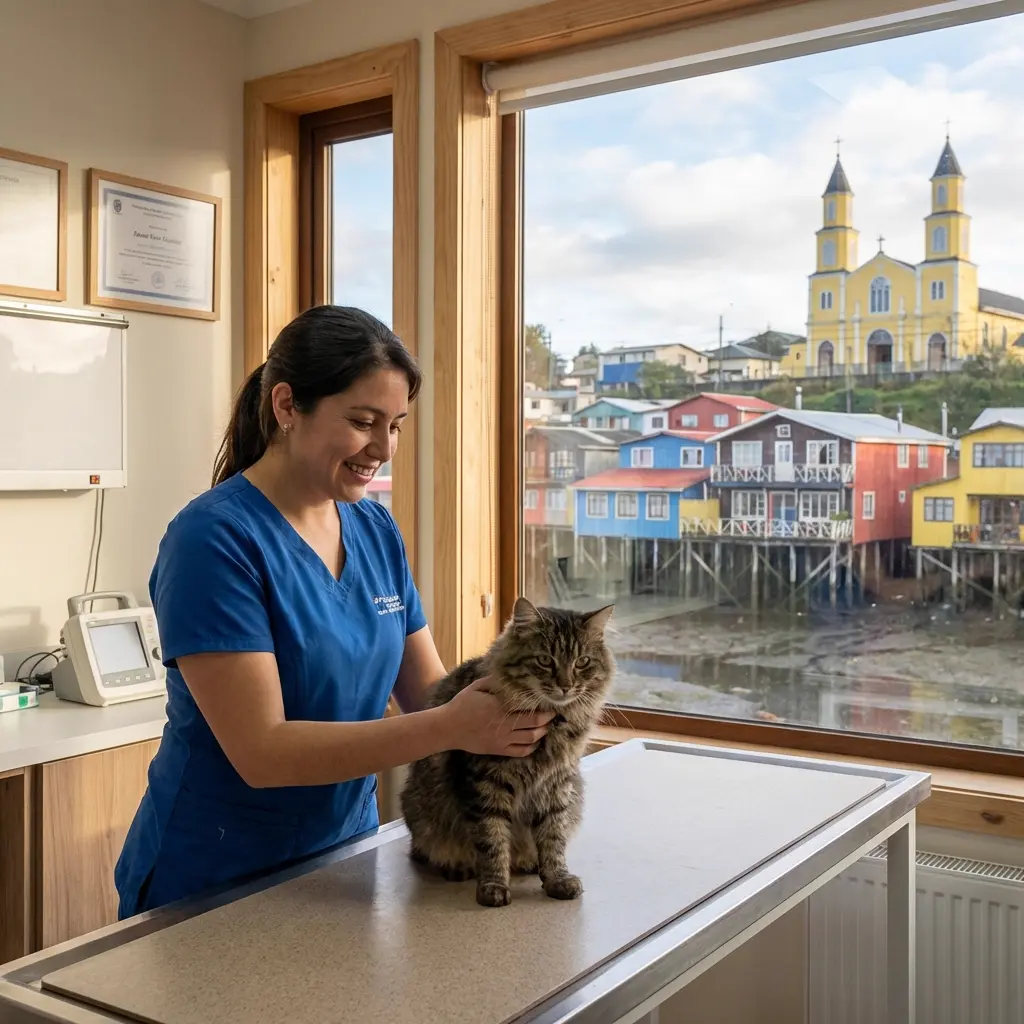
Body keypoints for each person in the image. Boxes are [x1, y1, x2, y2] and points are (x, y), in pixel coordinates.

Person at [114, 305, 553, 917]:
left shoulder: (374, 528)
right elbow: (263, 752)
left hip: (343, 859)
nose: (384, 448)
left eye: (396, 426)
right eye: (362, 422)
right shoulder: (212, 541)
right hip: (216, 873)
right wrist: (454, 725)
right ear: (287, 406)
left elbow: (428, 695)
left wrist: (531, 699)